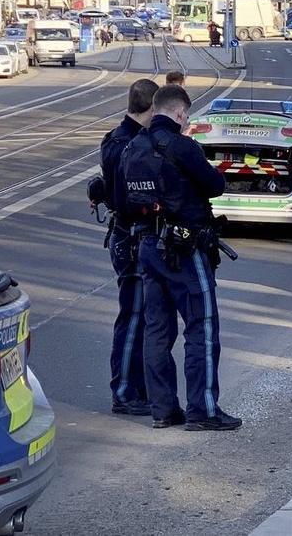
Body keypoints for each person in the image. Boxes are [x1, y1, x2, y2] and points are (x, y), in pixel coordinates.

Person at [120, 85, 241, 431]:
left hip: (147, 248)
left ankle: (163, 410)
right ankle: (203, 410)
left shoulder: (133, 147)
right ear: (178, 113)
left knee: (156, 330)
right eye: (185, 115)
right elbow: (214, 185)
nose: (186, 121)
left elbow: (122, 198)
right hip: (185, 250)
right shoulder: (182, 146)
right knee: (201, 327)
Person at [97, 78, 160, 417]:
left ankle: (136, 387)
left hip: (124, 234)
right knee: (134, 316)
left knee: (141, 316)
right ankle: (124, 390)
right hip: (132, 236)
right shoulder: (132, 144)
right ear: (151, 108)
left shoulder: (114, 139)